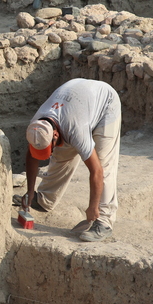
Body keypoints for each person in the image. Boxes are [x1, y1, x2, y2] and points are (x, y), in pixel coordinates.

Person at [20, 78, 121, 242]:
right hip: (78, 100)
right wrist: (30, 192)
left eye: (47, 147)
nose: (46, 152)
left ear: (54, 134)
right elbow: (31, 156)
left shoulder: (76, 130)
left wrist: (92, 207)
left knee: (104, 162)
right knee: (61, 154)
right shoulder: (36, 127)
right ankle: (45, 199)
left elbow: (96, 171)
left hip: (106, 104)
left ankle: (104, 221)